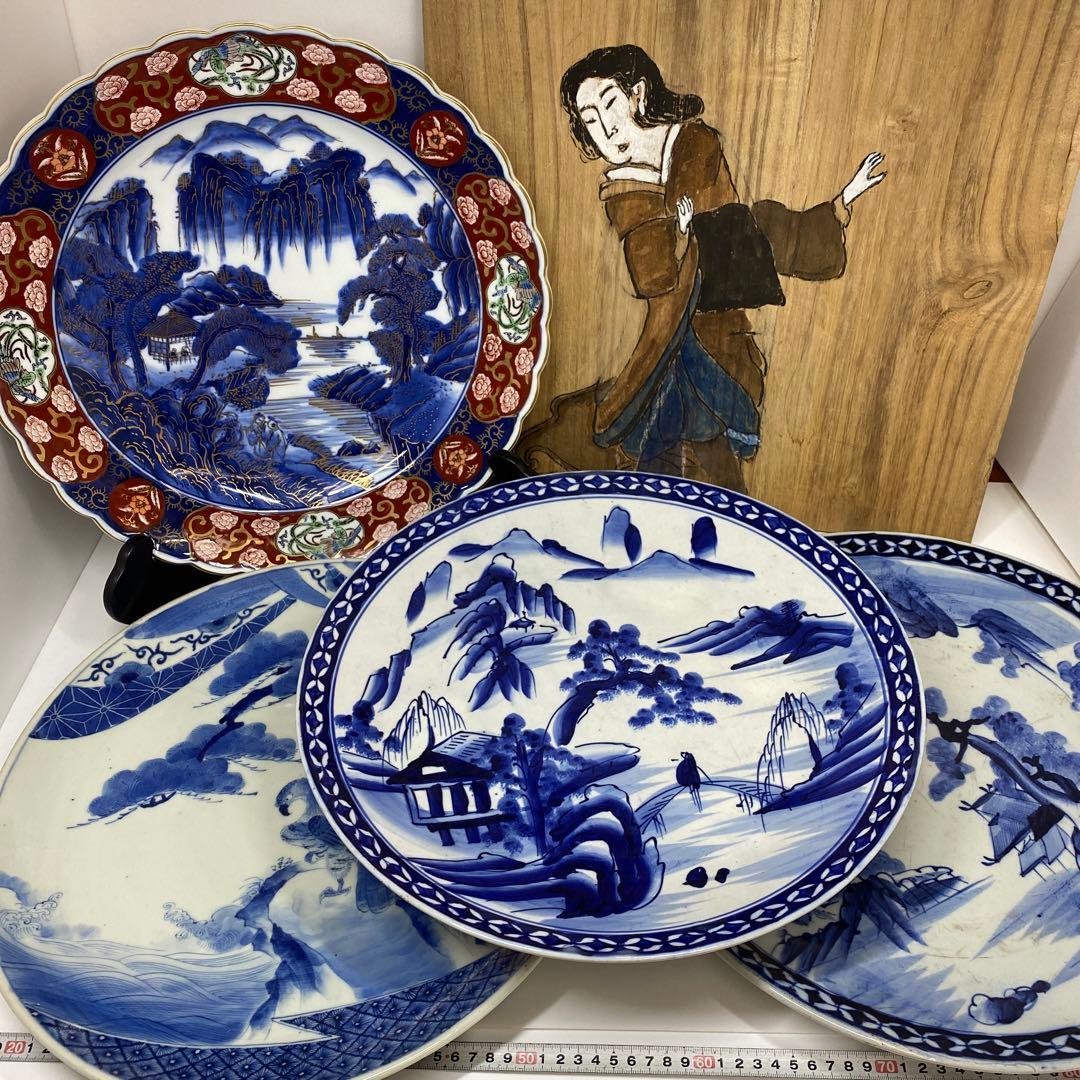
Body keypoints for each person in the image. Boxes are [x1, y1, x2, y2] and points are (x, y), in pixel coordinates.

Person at [519, 45, 885, 491]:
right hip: (665, 346)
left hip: (717, 340)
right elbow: (653, 278)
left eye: (610, 104)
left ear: (637, 94)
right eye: (590, 120)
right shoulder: (623, 191)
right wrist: (681, 233)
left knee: (704, 452)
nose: (607, 129)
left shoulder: (697, 145)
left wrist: (840, 204)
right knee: (664, 449)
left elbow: (748, 234)